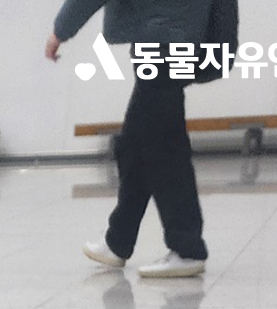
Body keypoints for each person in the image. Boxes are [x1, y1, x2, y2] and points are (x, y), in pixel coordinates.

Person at [46, 0, 213, 278]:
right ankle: (118, 241)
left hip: (162, 40)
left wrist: (59, 31)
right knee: (136, 144)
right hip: (176, 38)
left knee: (164, 146)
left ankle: (188, 248)